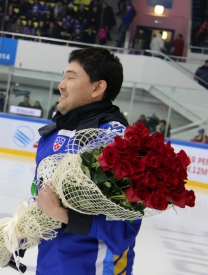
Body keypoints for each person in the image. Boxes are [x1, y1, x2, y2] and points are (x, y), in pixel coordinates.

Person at [34, 47, 141, 275]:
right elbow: (44, 199)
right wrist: (17, 234)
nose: (61, 85)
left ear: (98, 87)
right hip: (49, 264)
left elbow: (125, 226)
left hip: (95, 268)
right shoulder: (53, 132)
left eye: (71, 77)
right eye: (63, 76)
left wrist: (64, 215)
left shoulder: (115, 142)